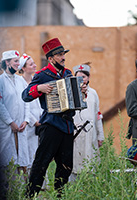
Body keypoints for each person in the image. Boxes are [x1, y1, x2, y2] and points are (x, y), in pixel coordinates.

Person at [22, 38, 87, 197]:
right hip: (50, 125)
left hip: (67, 125)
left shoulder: (68, 73)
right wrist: (39, 88)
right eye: (59, 55)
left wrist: (82, 91)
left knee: (66, 166)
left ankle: (60, 196)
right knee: (41, 164)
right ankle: (31, 195)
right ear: (50, 58)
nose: (63, 57)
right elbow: (26, 96)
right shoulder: (42, 75)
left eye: (63, 54)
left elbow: (75, 97)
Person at [0, 50, 30, 174]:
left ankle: (18, 190)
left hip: (20, 127)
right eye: (15, 61)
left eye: (18, 61)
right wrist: (10, 122)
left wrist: (26, 120)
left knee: (21, 161)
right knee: (6, 161)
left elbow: (26, 101)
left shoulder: (21, 81)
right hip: (6, 127)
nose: (18, 64)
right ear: (7, 62)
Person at [69, 62, 105, 182]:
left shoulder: (93, 93)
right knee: (75, 160)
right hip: (76, 133)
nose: (81, 80)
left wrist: (101, 135)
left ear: (88, 77)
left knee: (90, 160)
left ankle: (90, 186)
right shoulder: (71, 93)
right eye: (78, 77)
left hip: (91, 134)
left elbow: (97, 115)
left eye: (83, 77)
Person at [18, 53, 43, 173]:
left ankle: (42, 184)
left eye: (34, 63)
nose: (34, 65)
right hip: (29, 124)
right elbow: (23, 105)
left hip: (41, 122)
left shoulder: (36, 81)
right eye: (31, 64)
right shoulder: (20, 83)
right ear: (23, 68)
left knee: (40, 152)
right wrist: (33, 121)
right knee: (30, 151)